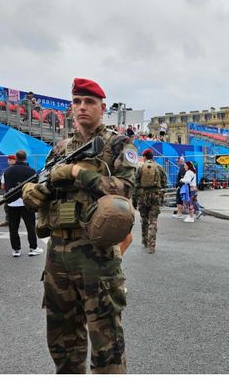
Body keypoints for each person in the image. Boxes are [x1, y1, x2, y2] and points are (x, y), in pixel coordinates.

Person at [21, 77, 137, 373]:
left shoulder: (117, 144)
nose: (82, 107)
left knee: (106, 341)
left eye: (89, 102)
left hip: (96, 254)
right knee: (62, 340)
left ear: (102, 108)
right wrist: (34, 192)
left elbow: (123, 190)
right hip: (58, 252)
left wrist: (76, 172)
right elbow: (44, 187)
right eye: (77, 102)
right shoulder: (60, 148)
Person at [1, 150, 42, 257]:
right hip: (26, 201)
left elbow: (3, 186)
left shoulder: (7, 171)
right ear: (25, 158)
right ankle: (33, 248)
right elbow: (35, 186)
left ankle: (16, 250)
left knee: (13, 227)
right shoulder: (31, 171)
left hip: (11, 202)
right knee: (30, 226)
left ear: (16, 157)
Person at [134, 149, 167, 253]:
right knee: (153, 220)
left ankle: (144, 241)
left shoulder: (140, 168)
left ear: (144, 156)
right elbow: (164, 183)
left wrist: (134, 201)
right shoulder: (159, 167)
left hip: (142, 196)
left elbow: (135, 184)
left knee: (144, 219)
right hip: (155, 196)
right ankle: (152, 246)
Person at [0, 154, 17, 228]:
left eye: (10, 159)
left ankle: (9, 221)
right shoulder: (25, 168)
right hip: (19, 191)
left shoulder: (7, 171)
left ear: (13, 160)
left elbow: (2, 186)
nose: (8, 161)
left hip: (9, 191)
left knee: (7, 207)